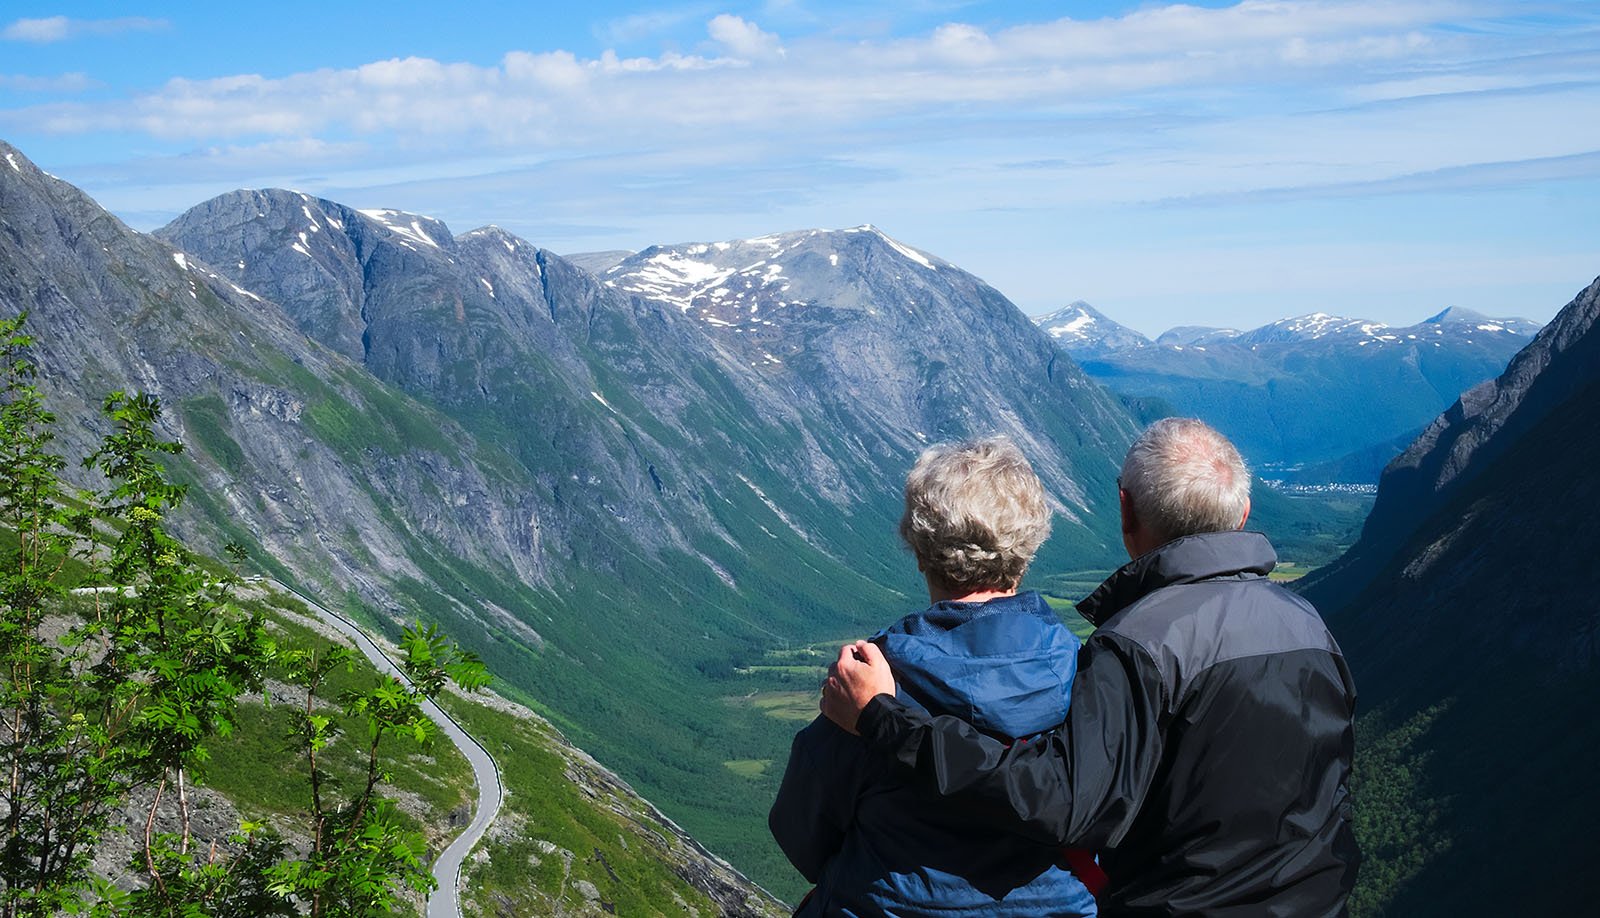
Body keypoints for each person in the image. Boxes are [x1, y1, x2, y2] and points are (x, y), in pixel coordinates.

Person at [822, 418, 1359, 917]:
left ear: (1126, 511)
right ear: (1241, 514)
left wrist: (883, 718)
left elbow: (1059, 802)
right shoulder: (1312, 628)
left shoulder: (1140, 644)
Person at [769, 436, 1098, 917]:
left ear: (920, 549)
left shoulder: (873, 680)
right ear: (1028, 546)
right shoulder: (1085, 670)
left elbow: (802, 833)